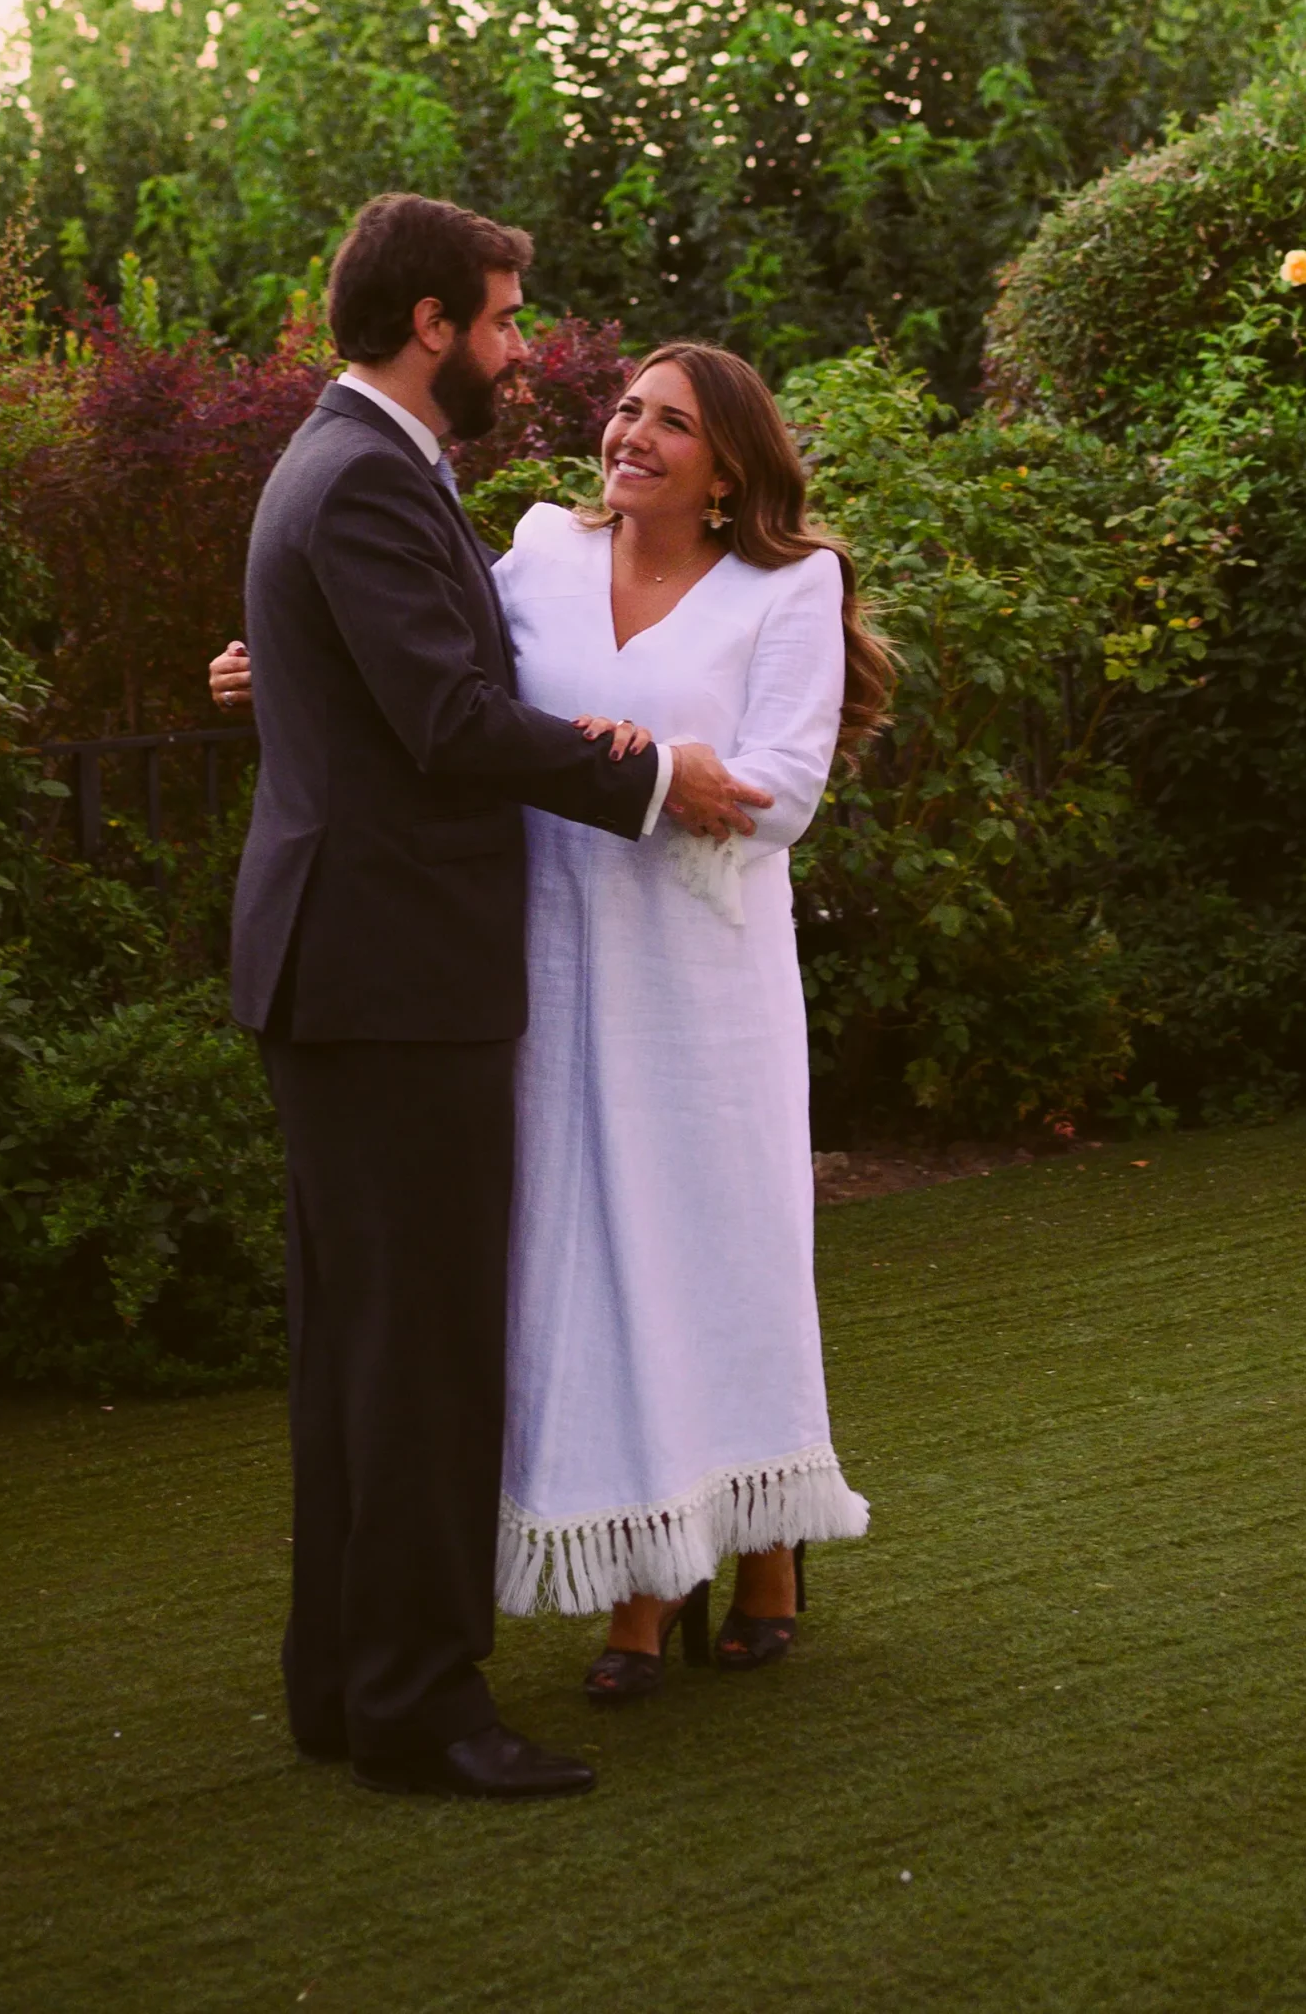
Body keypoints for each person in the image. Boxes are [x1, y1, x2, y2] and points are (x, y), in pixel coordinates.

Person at [223, 193, 767, 1801]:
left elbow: (392, 680)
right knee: (423, 1354)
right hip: (391, 977)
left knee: (363, 1349)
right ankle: (416, 1704)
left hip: (354, 971)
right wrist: (654, 776)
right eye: (505, 318)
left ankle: (345, 1683)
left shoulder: (355, 465)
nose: (521, 350)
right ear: (431, 325)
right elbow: (451, 721)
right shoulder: (365, 477)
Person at [488, 344, 890, 1697]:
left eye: (671, 423)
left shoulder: (788, 585)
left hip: (705, 994)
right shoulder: (539, 554)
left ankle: (760, 1550)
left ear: (728, 469)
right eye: (626, 410)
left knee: (723, 1263)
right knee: (597, 1271)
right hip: (557, 977)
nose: (632, 434)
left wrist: (636, 768)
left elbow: (780, 793)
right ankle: (651, 1559)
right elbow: (437, 688)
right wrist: (283, 670)